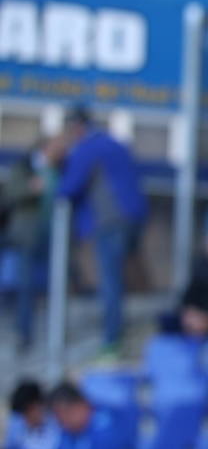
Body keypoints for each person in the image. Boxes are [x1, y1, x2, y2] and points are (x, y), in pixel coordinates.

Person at [57, 110, 148, 353]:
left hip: (111, 222)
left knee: (110, 281)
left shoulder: (88, 148)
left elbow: (68, 187)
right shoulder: (115, 144)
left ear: (77, 127)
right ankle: (116, 332)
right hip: (132, 218)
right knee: (117, 278)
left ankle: (112, 339)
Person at [3, 139, 60, 352]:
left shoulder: (59, 170)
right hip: (27, 236)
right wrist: (31, 189)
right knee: (25, 284)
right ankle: (24, 332)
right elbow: (11, 194)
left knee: (52, 284)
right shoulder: (24, 167)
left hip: (53, 236)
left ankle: (53, 331)